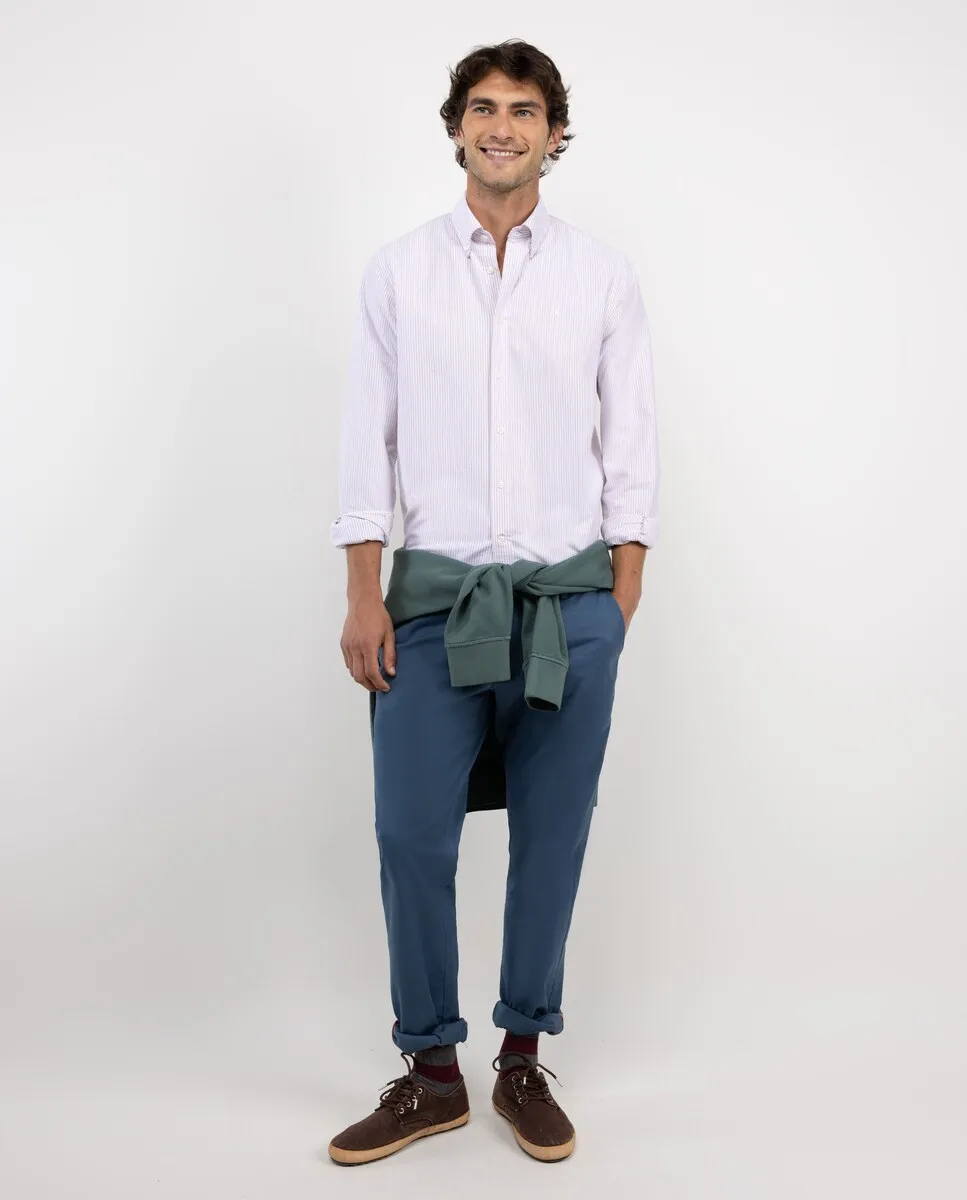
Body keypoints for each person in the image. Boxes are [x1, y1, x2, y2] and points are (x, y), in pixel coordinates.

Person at [326, 38, 659, 1166]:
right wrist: (363, 593)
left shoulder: (602, 277)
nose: (501, 126)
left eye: (523, 110)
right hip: (431, 606)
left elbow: (631, 444)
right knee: (409, 834)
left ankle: (520, 1059)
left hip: (569, 607)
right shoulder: (398, 273)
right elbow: (365, 444)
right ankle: (431, 1072)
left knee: (551, 839)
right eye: (482, 108)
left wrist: (617, 600)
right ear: (456, 128)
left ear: (554, 134)